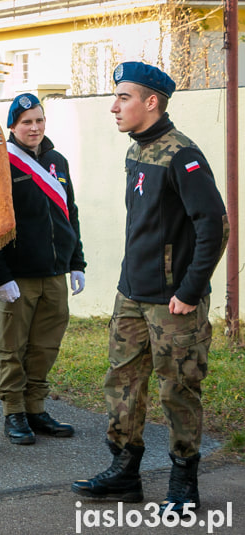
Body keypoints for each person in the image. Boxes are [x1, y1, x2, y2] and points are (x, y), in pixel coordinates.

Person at [72, 62, 228, 513]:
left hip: (172, 304)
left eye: (124, 98)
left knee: (177, 389)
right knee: (122, 384)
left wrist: (191, 291)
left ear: (152, 103)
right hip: (131, 295)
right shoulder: (138, 151)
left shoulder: (182, 155)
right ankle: (124, 473)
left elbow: (214, 226)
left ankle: (183, 484)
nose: (114, 107)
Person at [0, 93, 87, 445]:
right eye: (27, 122)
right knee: (12, 348)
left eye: (39, 120)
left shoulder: (57, 160)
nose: (34, 127)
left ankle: (35, 407)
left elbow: (69, 213)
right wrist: (0, 276)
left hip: (55, 273)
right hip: (19, 278)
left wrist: (77, 262)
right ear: (12, 126)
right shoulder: (0, 162)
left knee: (45, 346)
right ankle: (13, 411)